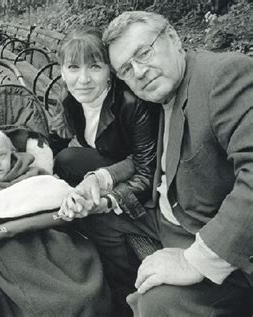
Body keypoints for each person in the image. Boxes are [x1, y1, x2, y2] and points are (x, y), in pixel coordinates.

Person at [70, 11, 253, 316]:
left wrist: (193, 260)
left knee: (158, 304)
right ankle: (128, 294)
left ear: (173, 38)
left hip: (207, 231)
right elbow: (150, 159)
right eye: (126, 69)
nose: (139, 71)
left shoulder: (223, 75)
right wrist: (101, 181)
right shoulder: (161, 93)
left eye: (143, 52)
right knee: (94, 219)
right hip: (166, 214)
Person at [0, 126, 112, 316]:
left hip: (51, 231)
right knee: (37, 292)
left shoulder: (32, 172)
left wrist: (68, 197)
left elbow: (53, 188)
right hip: (12, 242)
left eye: (1, 155)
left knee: (79, 268)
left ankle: (86, 299)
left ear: (12, 153)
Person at [53, 26, 158, 222]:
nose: (83, 80)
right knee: (62, 160)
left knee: (66, 159)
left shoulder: (131, 103)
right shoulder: (70, 98)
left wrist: (107, 197)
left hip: (135, 177)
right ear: (62, 72)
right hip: (106, 166)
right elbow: (55, 139)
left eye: (95, 67)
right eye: (73, 67)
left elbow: (147, 170)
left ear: (109, 71)